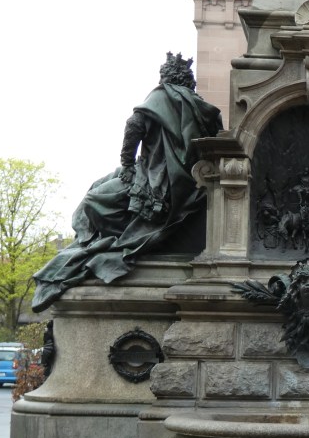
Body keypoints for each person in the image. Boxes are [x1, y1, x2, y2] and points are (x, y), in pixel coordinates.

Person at [32, 53, 223, 312]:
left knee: (93, 200)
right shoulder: (202, 107)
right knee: (101, 185)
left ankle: (108, 242)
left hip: (157, 180)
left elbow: (134, 124)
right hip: (190, 184)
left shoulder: (161, 96)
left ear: (166, 77)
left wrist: (127, 164)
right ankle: (104, 240)